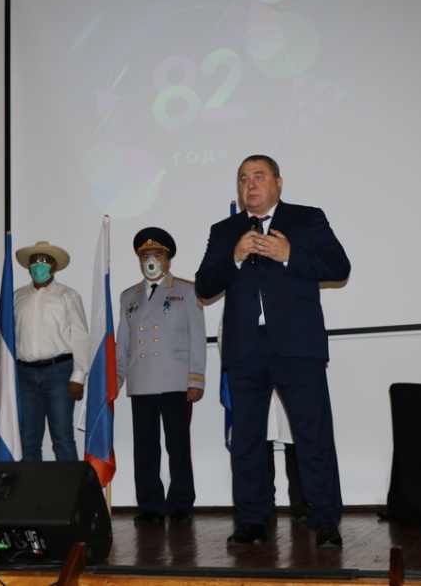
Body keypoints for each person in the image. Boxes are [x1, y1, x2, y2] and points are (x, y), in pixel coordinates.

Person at [195, 155, 350, 548]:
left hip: (298, 347)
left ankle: (325, 518)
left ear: (279, 183)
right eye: (243, 178)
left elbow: (339, 266)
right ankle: (252, 518)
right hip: (245, 349)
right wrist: (234, 256)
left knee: (312, 436)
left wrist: (289, 255)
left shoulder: (307, 218)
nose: (250, 184)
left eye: (259, 176)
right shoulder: (225, 230)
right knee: (247, 440)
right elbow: (204, 285)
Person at [116, 227, 206, 525]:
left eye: (157, 254)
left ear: (168, 259)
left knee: (178, 446)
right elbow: (123, 343)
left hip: (175, 380)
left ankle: (181, 504)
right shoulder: (128, 296)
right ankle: (151, 506)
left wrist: (195, 378)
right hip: (141, 380)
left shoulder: (186, 291)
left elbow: (197, 338)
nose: (150, 260)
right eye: (145, 256)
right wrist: (115, 380)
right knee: (145, 448)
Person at [13, 240, 89, 461]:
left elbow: (80, 337)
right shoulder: (17, 297)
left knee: (62, 438)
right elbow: (11, 336)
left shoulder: (68, 296)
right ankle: (32, 483)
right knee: (28, 439)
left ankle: (70, 484)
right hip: (24, 374)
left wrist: (78, 377)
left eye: (45, 261)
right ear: (28, 267)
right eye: (35, 261)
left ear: (55, 266)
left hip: (58, 373)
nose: (39, 265)